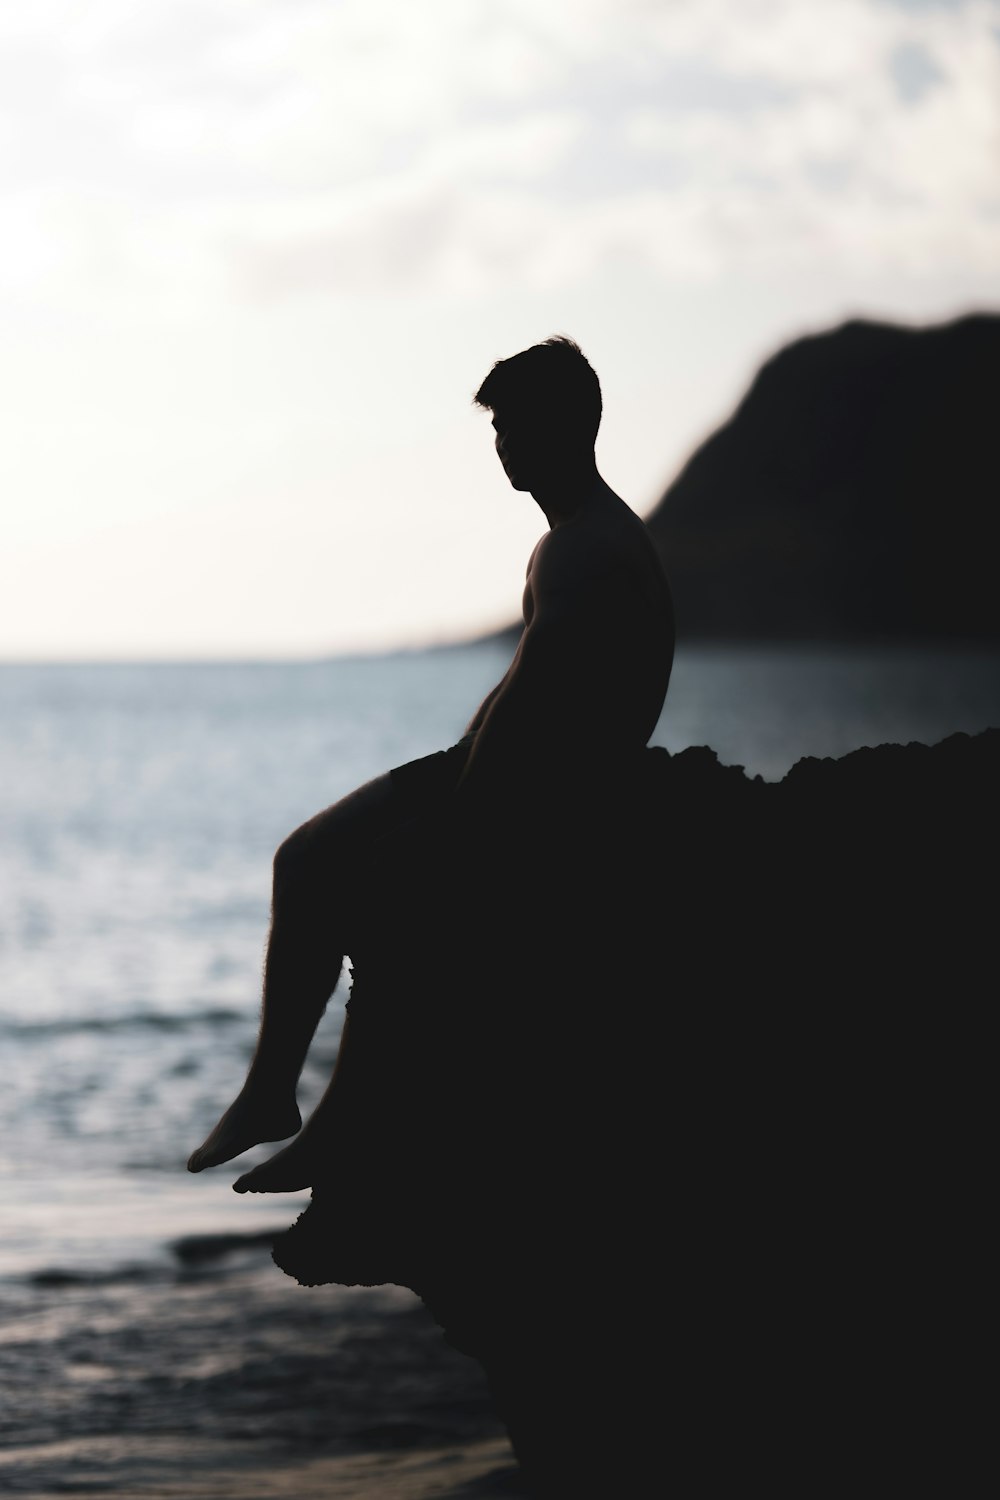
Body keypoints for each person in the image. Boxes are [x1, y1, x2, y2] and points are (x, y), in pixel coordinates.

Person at [187, 333, 675, 1202]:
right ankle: (270, 1096)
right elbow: (523, 688)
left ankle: (341, 1128)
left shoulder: (588, 546)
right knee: (305, 858)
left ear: (571, 427)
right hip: (502, 769)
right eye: (498, 431)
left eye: (519, 427)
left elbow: (536, 704)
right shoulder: (568, 540)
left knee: (386, 888)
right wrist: (454, 773)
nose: (504, 447)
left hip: (558, 792)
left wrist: (460, 816)